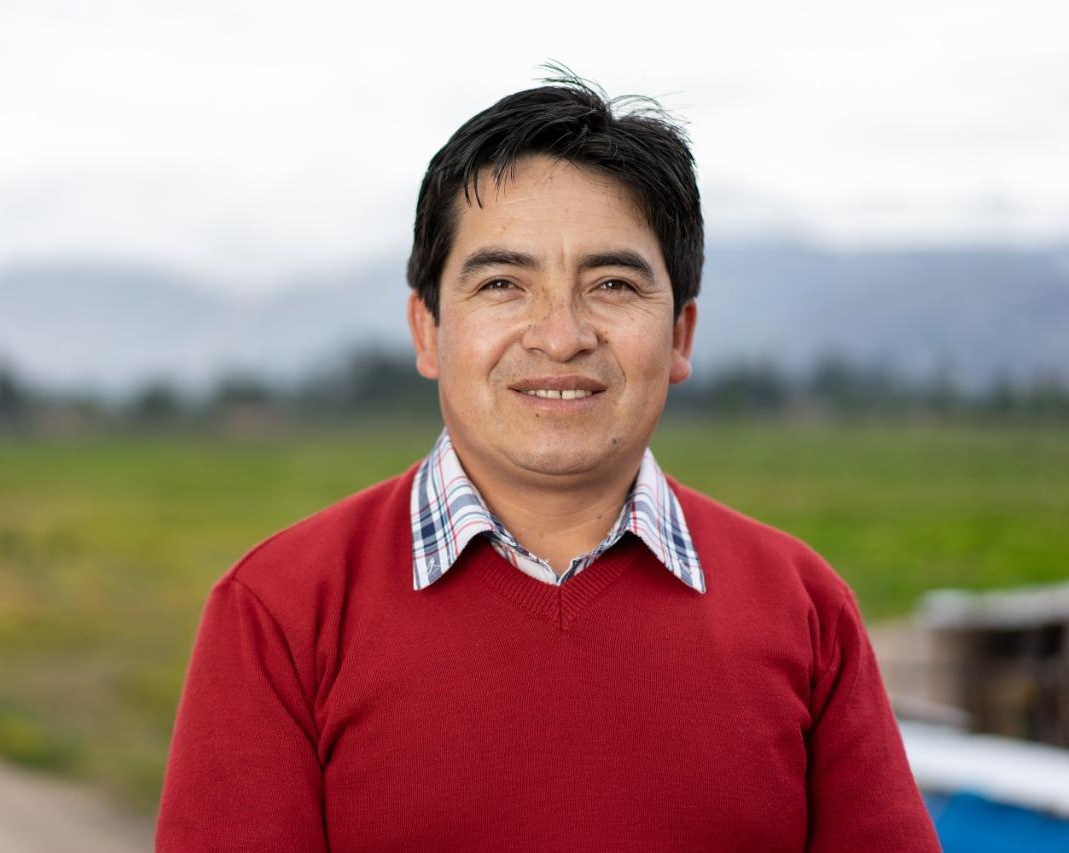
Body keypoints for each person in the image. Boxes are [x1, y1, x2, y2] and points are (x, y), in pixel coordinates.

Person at [156, 68, 941, 852]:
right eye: (503, 283)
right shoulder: (280, 611)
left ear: (679, 337)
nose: (560, 335)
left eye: (611, 283)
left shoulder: (803, 608)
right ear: (427, 330)